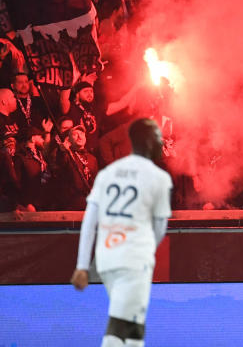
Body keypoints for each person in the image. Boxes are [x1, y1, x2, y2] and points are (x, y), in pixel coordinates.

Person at [71, 118, 174, 347]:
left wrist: (81, 265)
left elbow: (90, 220)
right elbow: (159, 226)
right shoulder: (159, 178)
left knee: (111, 310)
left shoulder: (108, 173)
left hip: (107, 253)